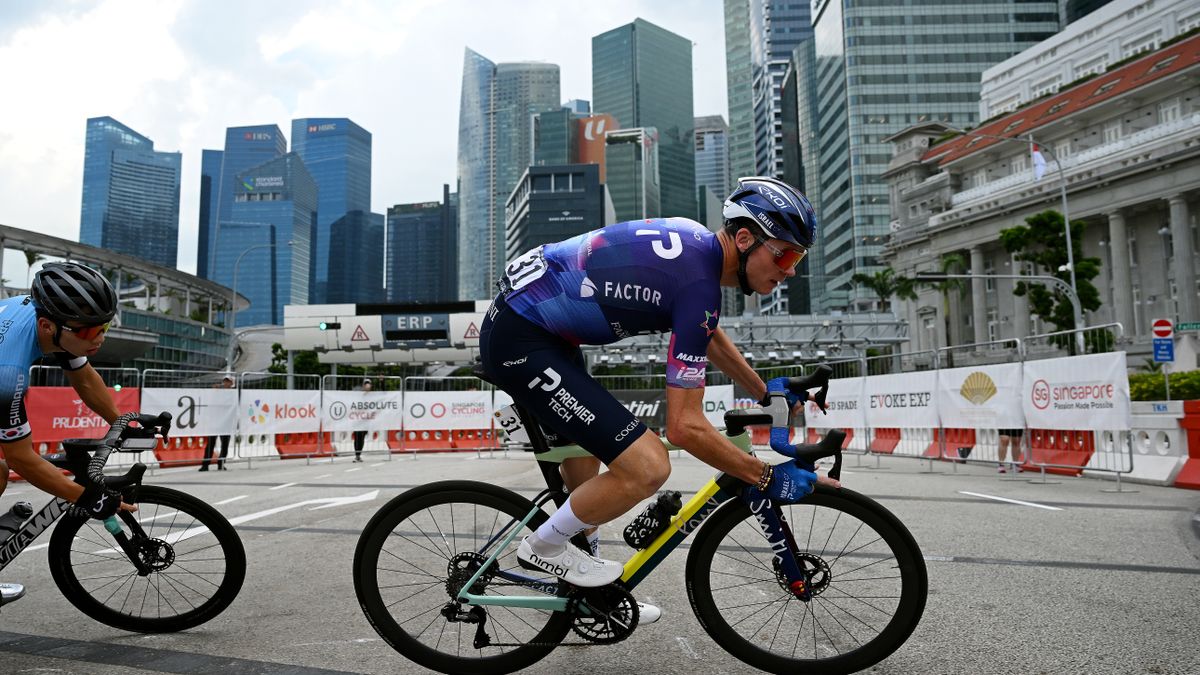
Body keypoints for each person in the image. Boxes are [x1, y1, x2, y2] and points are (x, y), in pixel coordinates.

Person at [479, 177, 840, 624]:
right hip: (522, 339)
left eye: (798, 258)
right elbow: (684, 428)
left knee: (586, 473)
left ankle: (587, 598)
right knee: (648, 466)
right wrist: (763, 475)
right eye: (785, 254)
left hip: (543, 330)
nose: (790, 270)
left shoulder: (698, 250)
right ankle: (543, 547)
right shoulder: (698, 286)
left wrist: (763, 390)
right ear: (745, 239)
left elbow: (703, 329)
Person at [0, 262, 137, 606]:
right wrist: (90, 499)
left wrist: (121, 422)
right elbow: (23, 460)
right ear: (48, 326)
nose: (101, 338)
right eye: (90, 332)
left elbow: (84, 377)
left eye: (104, 327)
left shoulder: (52, 320)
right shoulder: (8, 372)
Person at [200, 375, 235, 471]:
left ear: (232, 383)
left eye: (228, 381)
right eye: (225, 381)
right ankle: (205, 464)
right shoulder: (217, 392)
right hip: (215, 421)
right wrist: (214, 391)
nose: (226, 383)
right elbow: (210, 401)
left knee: (225, 444)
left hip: (226, 421)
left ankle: (221, 463)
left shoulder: (234, 394)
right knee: (210, 443)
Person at [353, 378, 372, 462]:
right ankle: (357, 455)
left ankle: (359, 454)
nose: (367, 385)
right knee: (357, 437)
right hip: (357, 419)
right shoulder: (358, 395)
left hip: (366, 420)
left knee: (362, 437)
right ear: (363, 385)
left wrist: (382, 382)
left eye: (369, 384)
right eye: (366, 384)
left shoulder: (374, 396)